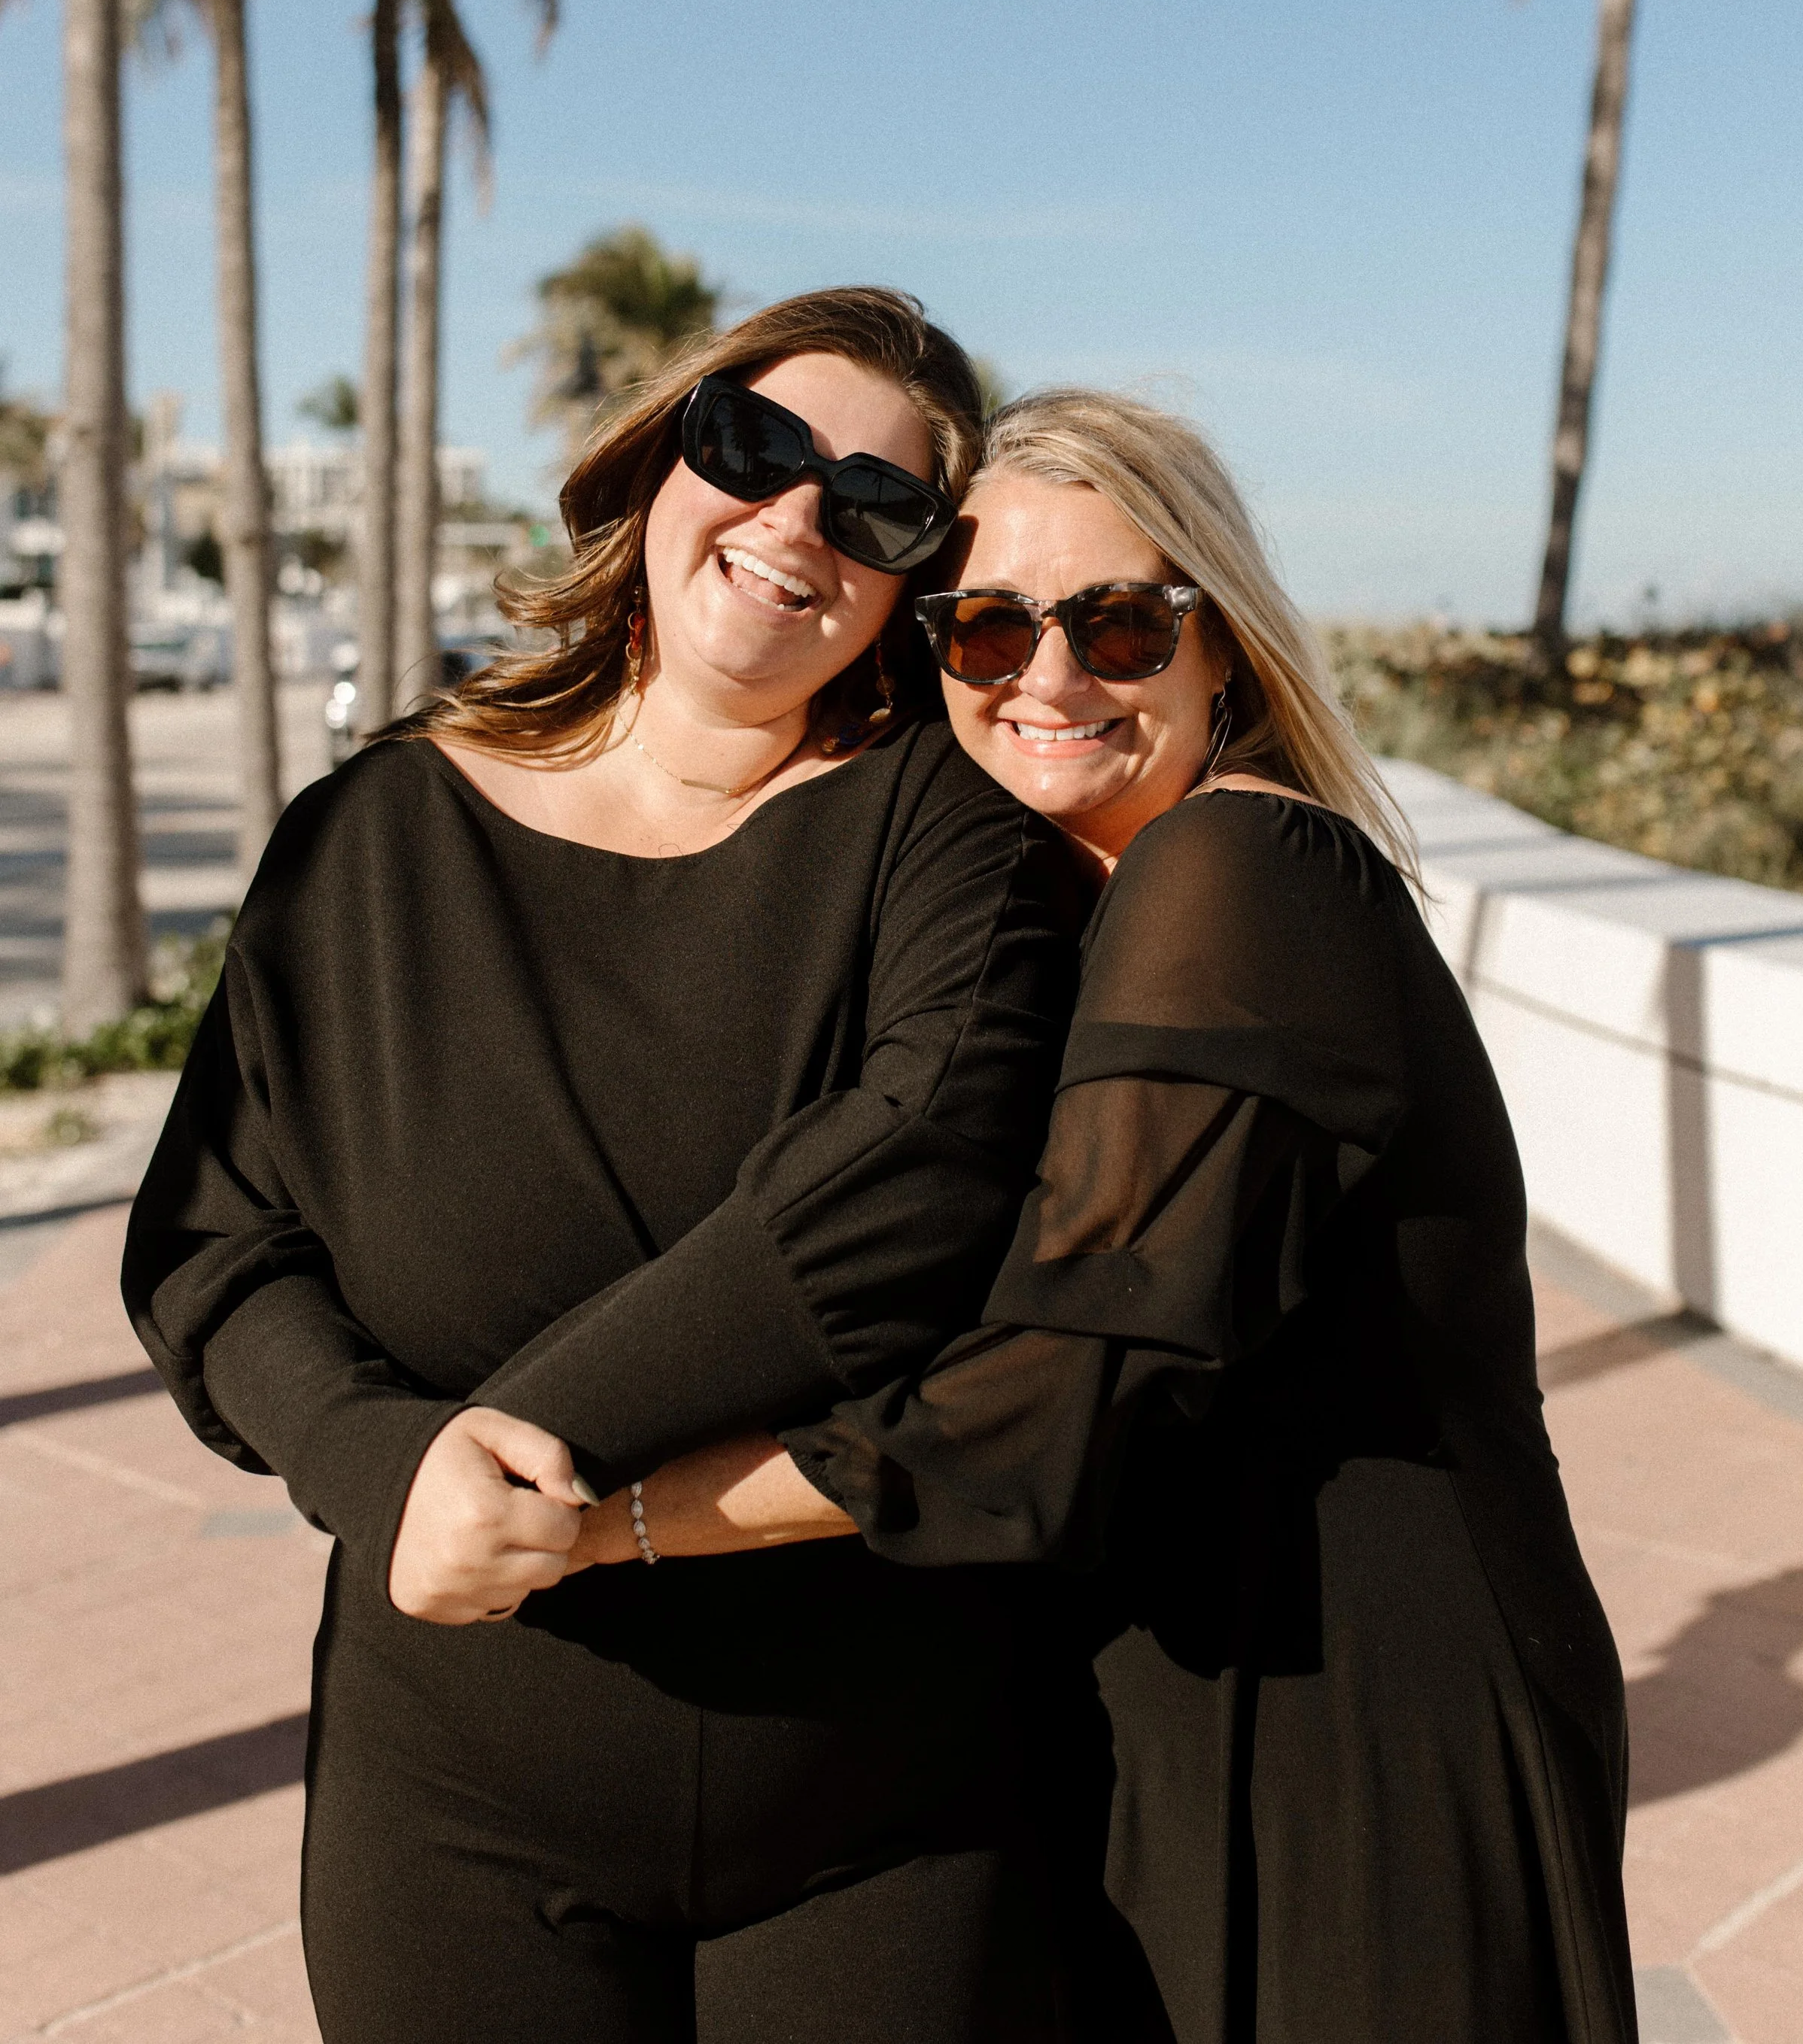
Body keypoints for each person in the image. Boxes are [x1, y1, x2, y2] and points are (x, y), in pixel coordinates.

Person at [600, 388, 1638, 2044]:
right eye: (990, 627)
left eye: (1121, 624)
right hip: (1170, 1687)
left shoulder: (1237, 874)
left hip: (1348, 1719)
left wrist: (610, 1518)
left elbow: (1057, 1377)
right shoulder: (1040, 934)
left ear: (1220, 648)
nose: (1050, 679)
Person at [122, 290, 1086, 2044]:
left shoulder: (939, 834)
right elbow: (212, 1238)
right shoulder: (371, 836)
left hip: (881, 1807)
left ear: (907, 584)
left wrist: (513, 1446)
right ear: (664, 455)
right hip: (456, 1807)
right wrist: (375, 1460)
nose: (795, 518)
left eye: (873, 508)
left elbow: (916, 1185)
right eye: (756, 447)